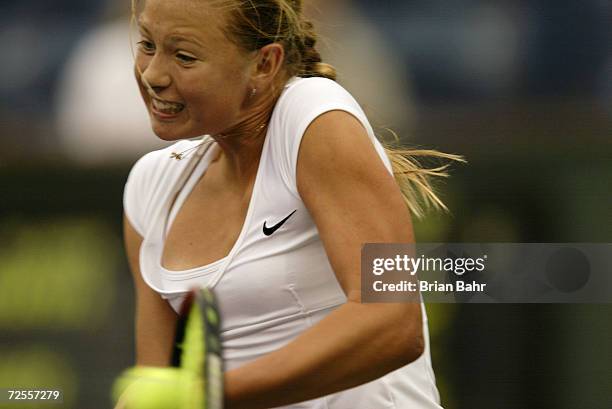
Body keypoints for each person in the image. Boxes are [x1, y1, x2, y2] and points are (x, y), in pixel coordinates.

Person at [121, 0, 461, 408]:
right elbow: (161, 383)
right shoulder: (150, 185)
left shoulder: (314, 115)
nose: (153, 74)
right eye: (146, 44)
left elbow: (393, 322)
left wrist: (208, 394)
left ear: (264, 64)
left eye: (185, 56)